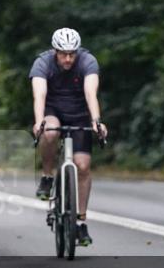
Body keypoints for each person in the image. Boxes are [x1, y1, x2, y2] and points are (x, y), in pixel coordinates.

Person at [30, 28, 107, 246]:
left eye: (72, 53)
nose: (67, 58)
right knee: (50, 131)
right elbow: (39, 95)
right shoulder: (43, 63)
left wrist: (97, 120)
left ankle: (81, 222)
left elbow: (91, 93)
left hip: (80, 114)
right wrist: (39, 121)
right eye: (63, 53)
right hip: (54, 111)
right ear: (55, 51)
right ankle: (47, 177)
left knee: (83, 166)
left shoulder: (87, 61)